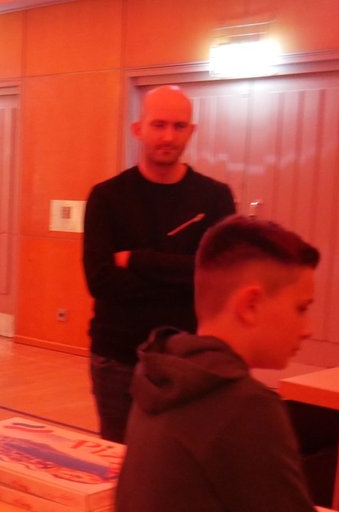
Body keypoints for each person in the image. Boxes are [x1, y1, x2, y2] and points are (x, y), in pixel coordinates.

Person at [94, 216, 339, 512]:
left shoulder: (163, 369)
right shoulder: (244, 406)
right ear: (251, 304)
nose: (308, 328)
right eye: (302, 308)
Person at [82, 84, 236, 443]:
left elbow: (218, 277)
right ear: (138, 129)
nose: (168, 136)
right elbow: (101, 281)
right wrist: (184, 271)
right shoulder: (106, 198)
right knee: (118, 457)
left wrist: (138, 259)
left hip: (189, 359)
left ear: (191, 131)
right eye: (159, 125)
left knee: (181, 458)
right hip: (118, 357)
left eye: (179, 126)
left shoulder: (215, 198)